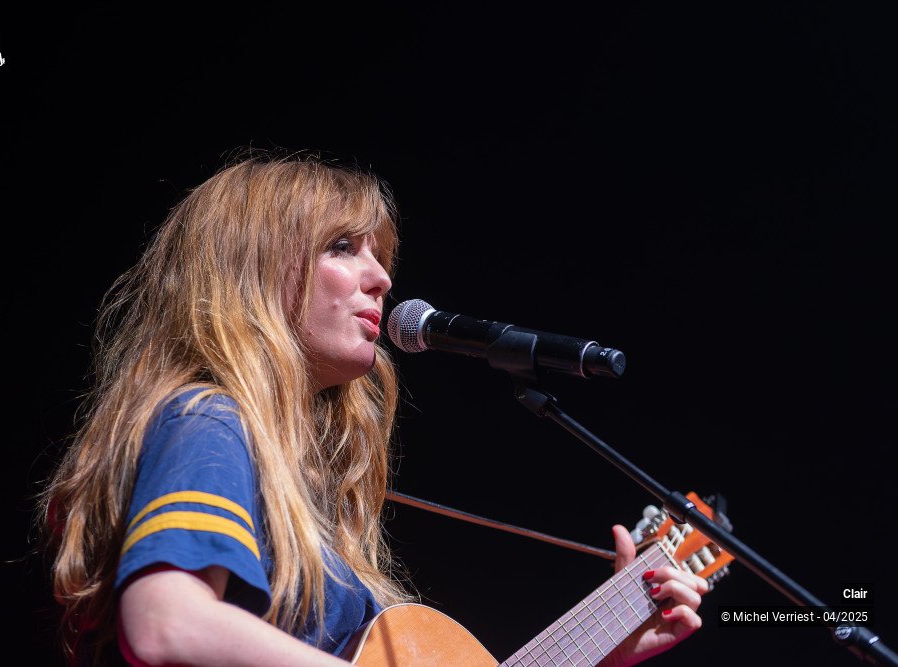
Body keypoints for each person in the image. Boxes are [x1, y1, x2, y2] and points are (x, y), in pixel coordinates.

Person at [40, 149, 708, 666]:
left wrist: (604, 650)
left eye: (380, 256)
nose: (383, 277)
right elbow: (166, 622)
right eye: (342, 247)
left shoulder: (298, 483)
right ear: (253, 271)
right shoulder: (209, 421)